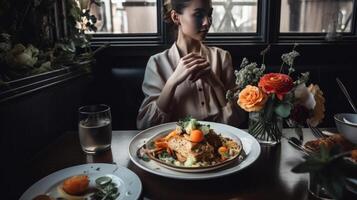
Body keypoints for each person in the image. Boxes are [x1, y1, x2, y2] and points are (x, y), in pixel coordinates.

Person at [137, 0, 245, 129]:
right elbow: (145, 126)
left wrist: (215, 82)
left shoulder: (222, 57)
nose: (207, 22)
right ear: (176, 17)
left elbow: (237, 120)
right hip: (175, 145)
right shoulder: (157, 63)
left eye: (209, 14)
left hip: (220, 145)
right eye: (198, 14)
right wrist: (172, 82)